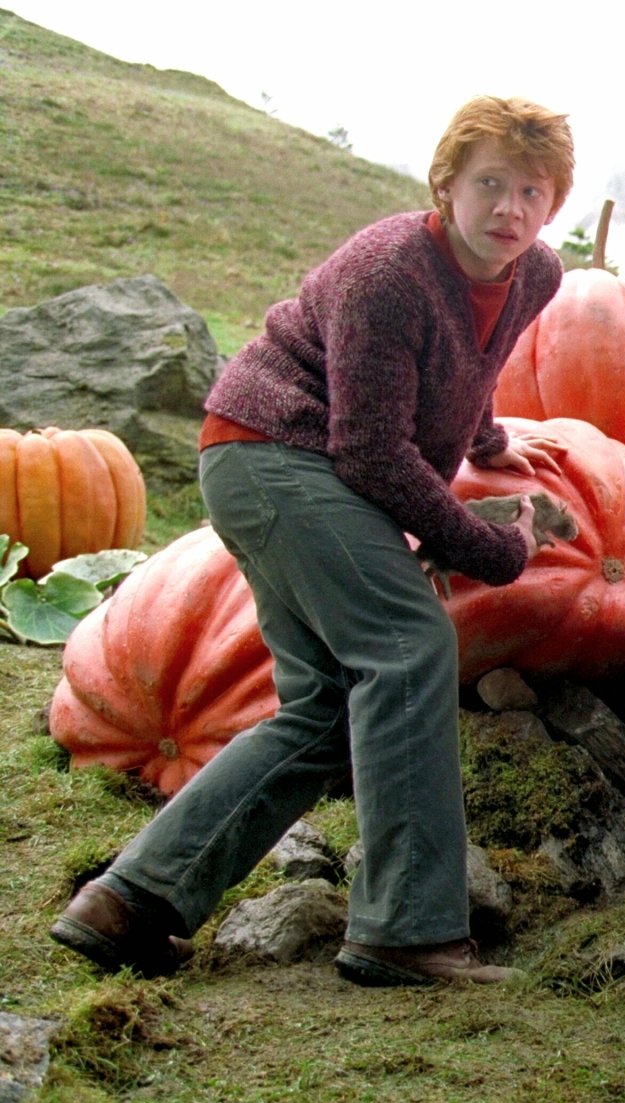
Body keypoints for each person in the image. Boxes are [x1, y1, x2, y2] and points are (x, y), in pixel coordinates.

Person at [50, 95, 575, 988]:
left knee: (324, 708)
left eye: (532, 191)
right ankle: (408, 931)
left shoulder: (535, 274)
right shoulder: (389, 272)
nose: (509, 210)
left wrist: (487, 442)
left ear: (554, 202)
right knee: (407, 647)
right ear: (446, 183)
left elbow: (467, 365)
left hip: (305, 467)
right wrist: (497, 551)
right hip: (273, 458)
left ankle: (129, 902)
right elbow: (369, 451)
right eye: (490, 184)